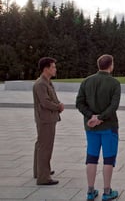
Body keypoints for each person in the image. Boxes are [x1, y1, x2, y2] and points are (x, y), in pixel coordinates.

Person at [76, 54, 121, 201]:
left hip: (91, 127)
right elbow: (113, 106)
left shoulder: (87, 81)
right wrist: (100, 118)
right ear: (111, 65)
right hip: (109, 126)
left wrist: (92, 117)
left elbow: (79, 103)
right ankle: (107, 191)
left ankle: (90, 190)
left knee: (91, 157)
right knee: (108, 159)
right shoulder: (114, 83)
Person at [33, 57, 64, 186]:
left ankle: (40, 171)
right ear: (46, 69)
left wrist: (58, 105)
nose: (55, 69)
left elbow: (50, 98)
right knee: (45, 147)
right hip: (46, 119)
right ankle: (43, 177)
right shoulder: (41, 83)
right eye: (53, 67)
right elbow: (45, 102)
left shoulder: (47, 82)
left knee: (41, 145)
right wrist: (58, 107)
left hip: (48, 118)